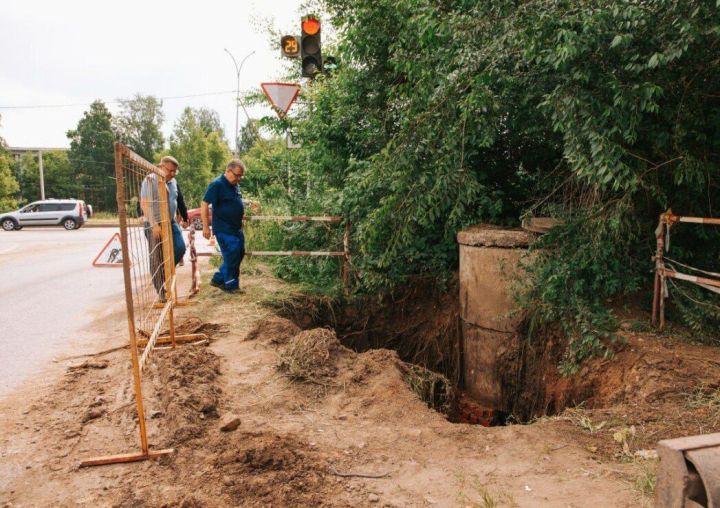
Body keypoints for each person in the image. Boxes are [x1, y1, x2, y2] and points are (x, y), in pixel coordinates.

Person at [140, 155, 187, 299]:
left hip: (170, 222)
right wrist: (154, 224)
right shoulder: (150, 180)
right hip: (154, 224)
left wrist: (181, 215)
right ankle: (161, 291)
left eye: (175, 172)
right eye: (170, 171)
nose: (172, 174)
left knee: (180, 247)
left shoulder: (173, 182)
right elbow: (144, 203)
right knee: (156, 257)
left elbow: (176, 200)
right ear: (161, 167)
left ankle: (165, 271)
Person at [201, 159, 246, 293]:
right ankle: (231, 285)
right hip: (223, 228)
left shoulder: (234, 185)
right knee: (232, 253)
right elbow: (204, 204)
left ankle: (219, 278)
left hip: (236, 228)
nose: (238, 179)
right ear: (228, 170)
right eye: (236, 175)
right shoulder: (217, 184)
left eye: (240, 176)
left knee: (239, 252)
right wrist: (205, 226)